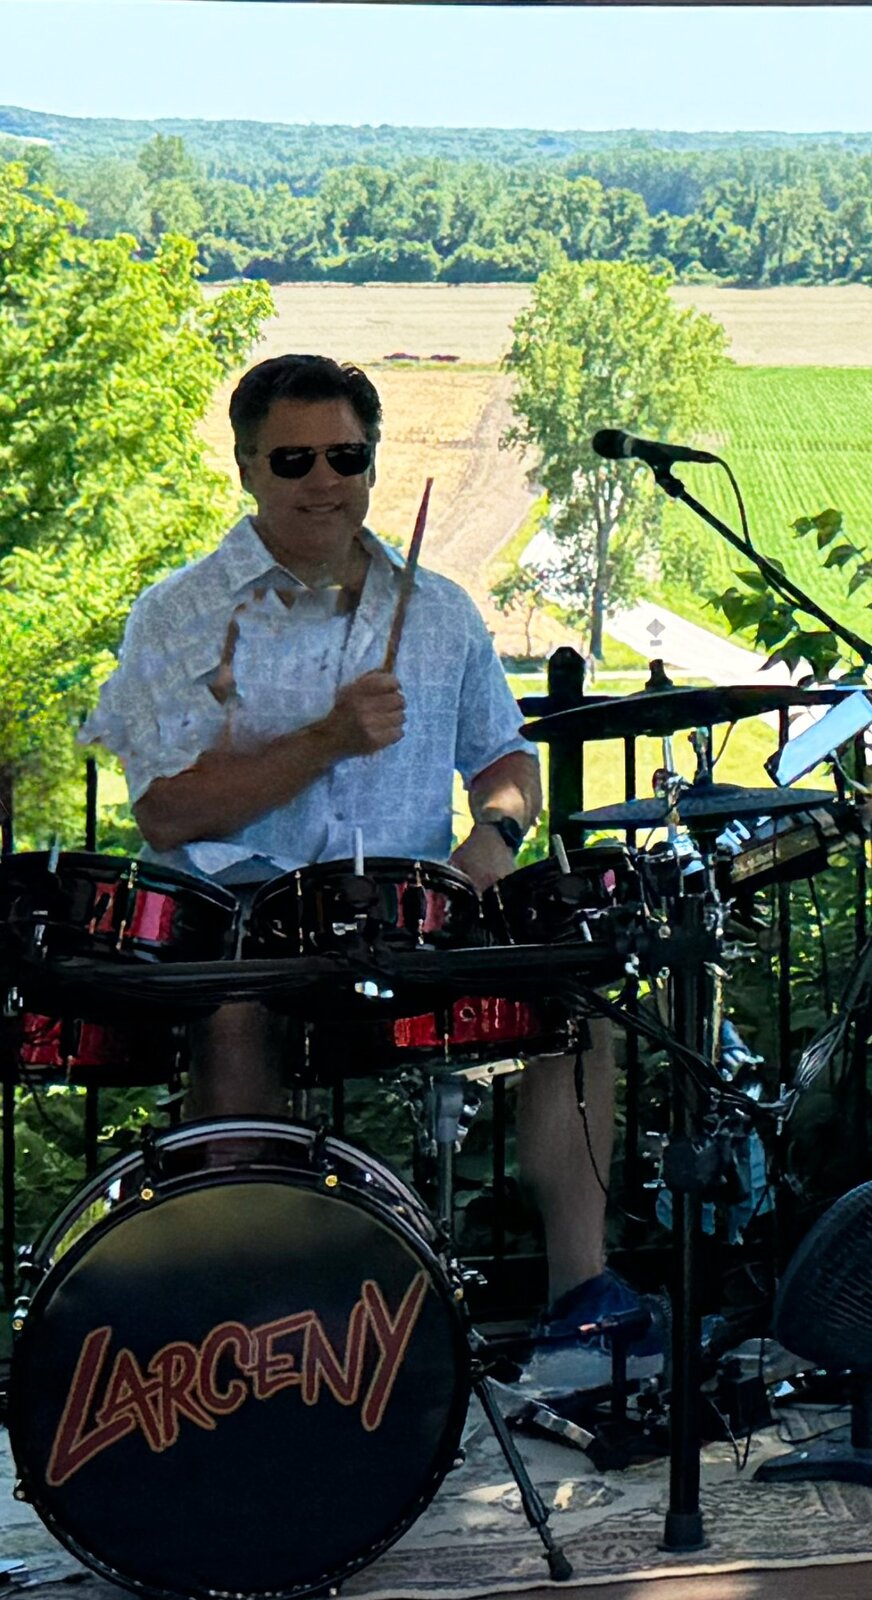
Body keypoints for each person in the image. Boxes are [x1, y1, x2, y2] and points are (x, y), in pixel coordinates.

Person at [81, 353, 663, 1391]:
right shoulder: (178, 613)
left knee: (573, 997)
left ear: (371, 461)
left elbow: (504, 756)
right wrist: (326, 737)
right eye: (293, 458)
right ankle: (255, 1334)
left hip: (409, 915)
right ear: (247, 468)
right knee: (232, 1010)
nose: (322, 480)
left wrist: (492, 837)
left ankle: (581, 1304)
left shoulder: (436, 608)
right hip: (251, 919)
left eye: (344, 455)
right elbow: (166, 806)